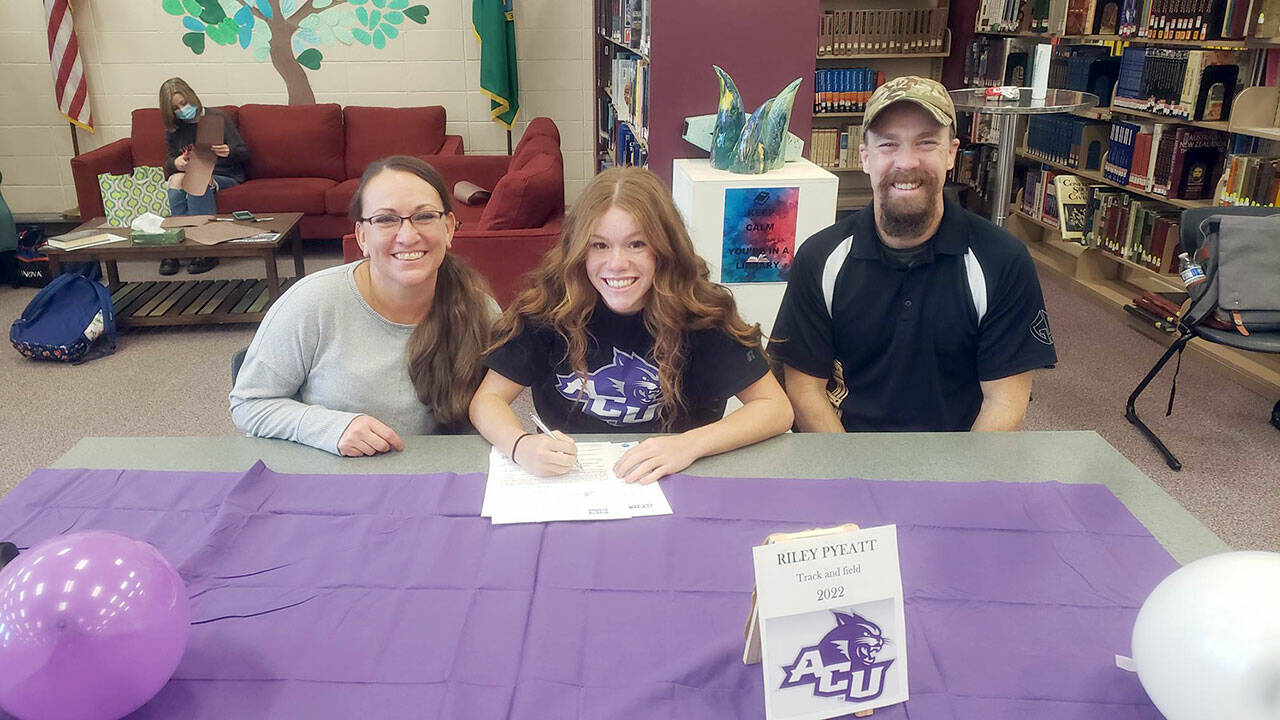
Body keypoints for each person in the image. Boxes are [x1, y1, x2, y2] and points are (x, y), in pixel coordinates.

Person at [469, 166, 794, 485]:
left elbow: (776, 409)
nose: (617, 263)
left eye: (636, 244)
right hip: (570, 478)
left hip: (677, 474)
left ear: (665, 249)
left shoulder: (702, 313)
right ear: (579, 251)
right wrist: (520, 445)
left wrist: (691, 445)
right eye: (599, 245)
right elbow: (487, 401)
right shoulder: (549, 307)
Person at [771, 76, 1057, 433]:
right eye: (889, 144)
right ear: (865, 157)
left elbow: (1004, 404)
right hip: (844, 454)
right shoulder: (819, 258)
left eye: (926, 143)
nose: (906, 162)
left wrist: (953, 487)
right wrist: (850, 481)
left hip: (958, 462)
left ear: (951, 152)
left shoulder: (1002, 260)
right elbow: (805, 389)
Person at [230, 156, 495, 456]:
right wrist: (328, 427)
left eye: (424, 216)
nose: (408, 236)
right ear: (362, 237)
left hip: (437, 482)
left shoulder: (482, 313)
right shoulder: (311, 303)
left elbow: (493, 413)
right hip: (334, 483)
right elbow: (248, 405)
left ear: (449, 228)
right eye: (385, 219)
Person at [158, 77, 248, 275]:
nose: (182, 109)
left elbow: (244, 152)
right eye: (176, 108)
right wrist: (176, 163)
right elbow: (168, 161)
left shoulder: (216, 118)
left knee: (199, 178)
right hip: (192, 173)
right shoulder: (174, 129)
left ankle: (206, 247)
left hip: (224, 174)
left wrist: (229, 150)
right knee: (175, 179)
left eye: (184, 103)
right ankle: (178, 243)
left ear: (192, 97)